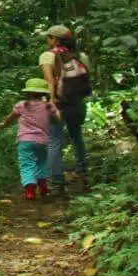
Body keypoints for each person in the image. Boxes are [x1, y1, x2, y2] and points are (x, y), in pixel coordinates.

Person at [40, 25, 93, 187]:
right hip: (77, 103)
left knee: (54, 141)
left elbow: (49, 82)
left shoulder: (47, 56)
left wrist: (51, 102)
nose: (47, 40)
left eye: (49, 37)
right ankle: (82, 170)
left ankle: (56, 180)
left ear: (55, 39)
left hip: (58, 103)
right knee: (77, 136)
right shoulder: (80, 56)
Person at [0, 77, 59, 201]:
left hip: (25, 140)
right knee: (42, 162)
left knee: (27, 164)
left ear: (27, 92)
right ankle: (43, 187)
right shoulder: (48, 107)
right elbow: (58, 118)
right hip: (42, 141)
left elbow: (11, 117)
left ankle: (30, 189)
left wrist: (4, 124)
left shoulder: (21, 105)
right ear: (43, 93)